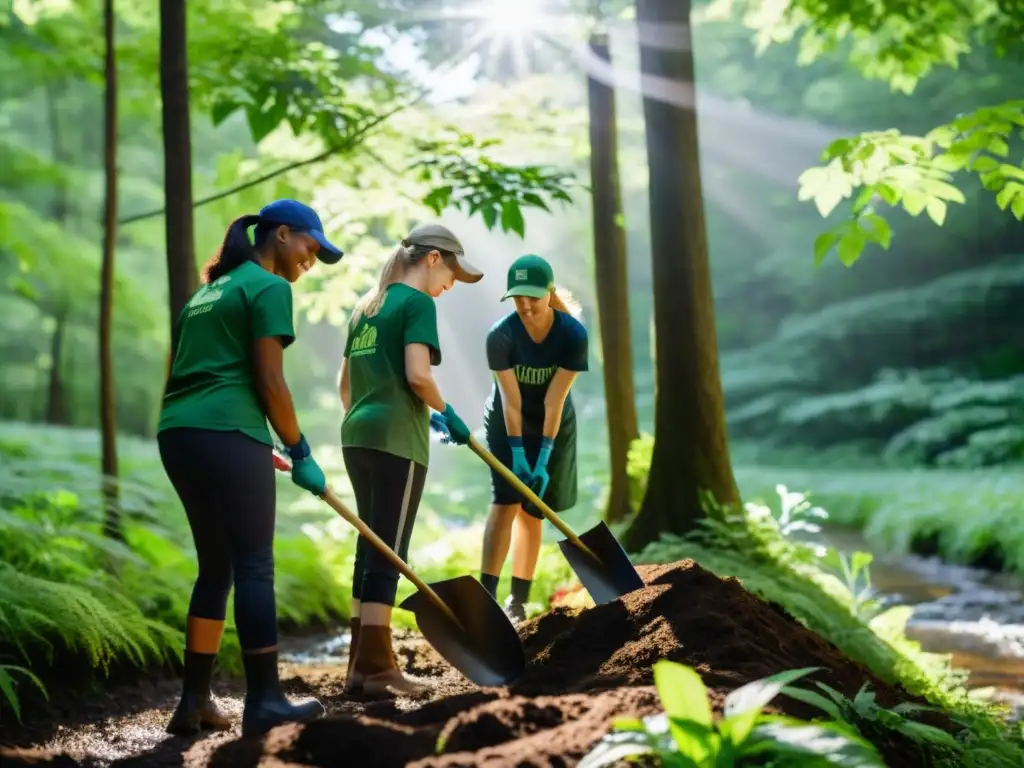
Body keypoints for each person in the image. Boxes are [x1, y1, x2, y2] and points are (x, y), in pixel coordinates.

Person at [158, 199, 343, 737]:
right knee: (255, 565)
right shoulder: (268, 287)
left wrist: (252, 442)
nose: (312, 259)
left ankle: (193, 702)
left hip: (180, 433)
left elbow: (205, 371)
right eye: (311, 246)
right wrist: (301, 448)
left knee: (216, 569)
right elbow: (270, 382)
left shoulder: (206, 292)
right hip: (226, 432)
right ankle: (265, 700)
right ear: (281, 235)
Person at [338, 223, 481, 697]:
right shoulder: (416, 304)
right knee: (388, 550)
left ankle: (358, 668)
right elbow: (419, 376)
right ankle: (379, 669)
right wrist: (449, 414)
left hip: (356, 434)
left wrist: (369, 415)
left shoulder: (366, 306)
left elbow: (345, 385)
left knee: (369, 545)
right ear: (434, 259)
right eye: (452, 276)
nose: (449, 288)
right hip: (398, 438)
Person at [479, 254, 588, 622]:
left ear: (549, 291)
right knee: (506, 501)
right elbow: (512, 402)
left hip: (553, 424)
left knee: (533, 509)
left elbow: (553, 401)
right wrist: (518, 454)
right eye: (516, 296)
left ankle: (517, 601)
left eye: (532, 296)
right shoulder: (501, 335)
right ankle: (487, 597)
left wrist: (541, 458)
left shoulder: (572, 334)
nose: (524, 305)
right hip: (507, 423)